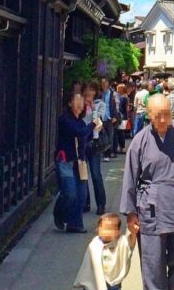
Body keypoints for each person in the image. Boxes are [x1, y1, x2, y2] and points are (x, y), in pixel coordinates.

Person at [121, 94, 174, 290]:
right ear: (148, 115)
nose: (163, 120)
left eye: (167, 114)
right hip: (150, 208)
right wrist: (131, 214)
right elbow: (130, 178)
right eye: (158, 116)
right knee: (152, 264)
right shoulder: (140, 141)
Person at [56, 92, 98, 233]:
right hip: (66, 160)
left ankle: (75, 224)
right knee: (69, 193)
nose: (81, 102)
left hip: (80, 162)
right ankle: (59, 212)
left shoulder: (80, 121)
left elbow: (86, 135)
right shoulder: (65, 120)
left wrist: (95, 128)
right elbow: (79, 133)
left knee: (81, 194)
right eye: (77, 99)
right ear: (69, 103)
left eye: (82, 100)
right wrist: (93, 124)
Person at [73, 213, 137, 290]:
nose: (107, 232)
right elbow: (87, 265)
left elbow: (130, 244)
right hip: (97, 278)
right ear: (98, 230)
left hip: (113, 281)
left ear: (118, 231)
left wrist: (133, 233)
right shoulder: (94, 245)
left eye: (111, 229)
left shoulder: (121, 242)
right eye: (104, 228)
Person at [83, 83, 109, 214]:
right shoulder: (80, 104)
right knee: (83, 174)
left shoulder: (100, 104)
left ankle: (101, 204)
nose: (89, 92)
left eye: (92, 90)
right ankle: (85, 202)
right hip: (82, 141)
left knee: (95, 174)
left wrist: (92, 108)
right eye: (87, 89)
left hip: (94, 141)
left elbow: (98, 121)